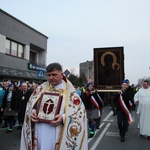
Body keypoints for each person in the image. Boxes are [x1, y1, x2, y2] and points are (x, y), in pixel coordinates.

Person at [20, 63, 88, 150]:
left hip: (58, 132)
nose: (51, 77)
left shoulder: (70, 93)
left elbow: (79, 113)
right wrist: (32, 112)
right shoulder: (41, 89)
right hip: (39, 131)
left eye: (54, 75)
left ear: (62, 75)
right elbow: (32, 106)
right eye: (49, 75)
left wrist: (63, 118)